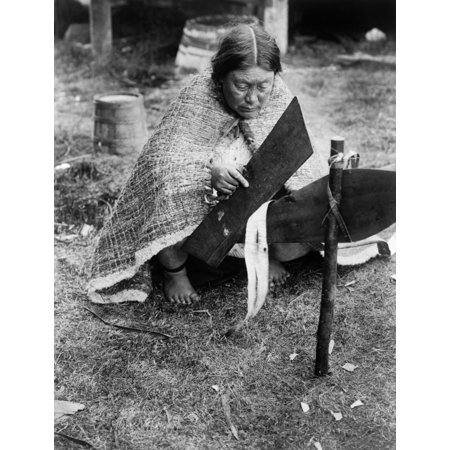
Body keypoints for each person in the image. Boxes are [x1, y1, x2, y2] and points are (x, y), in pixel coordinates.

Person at [88, 23, 327, 305]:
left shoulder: (276, 95)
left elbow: (301, 162)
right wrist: (209, 174)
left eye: (263, 86)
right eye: (241, 86)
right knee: (168, 190)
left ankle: (264, 254)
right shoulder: (198, 99)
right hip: (204, 218)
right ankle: (175, 273)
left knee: (297, 206)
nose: (253, 98)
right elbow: (162, 165)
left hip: (255, 213)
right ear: (221, 77)